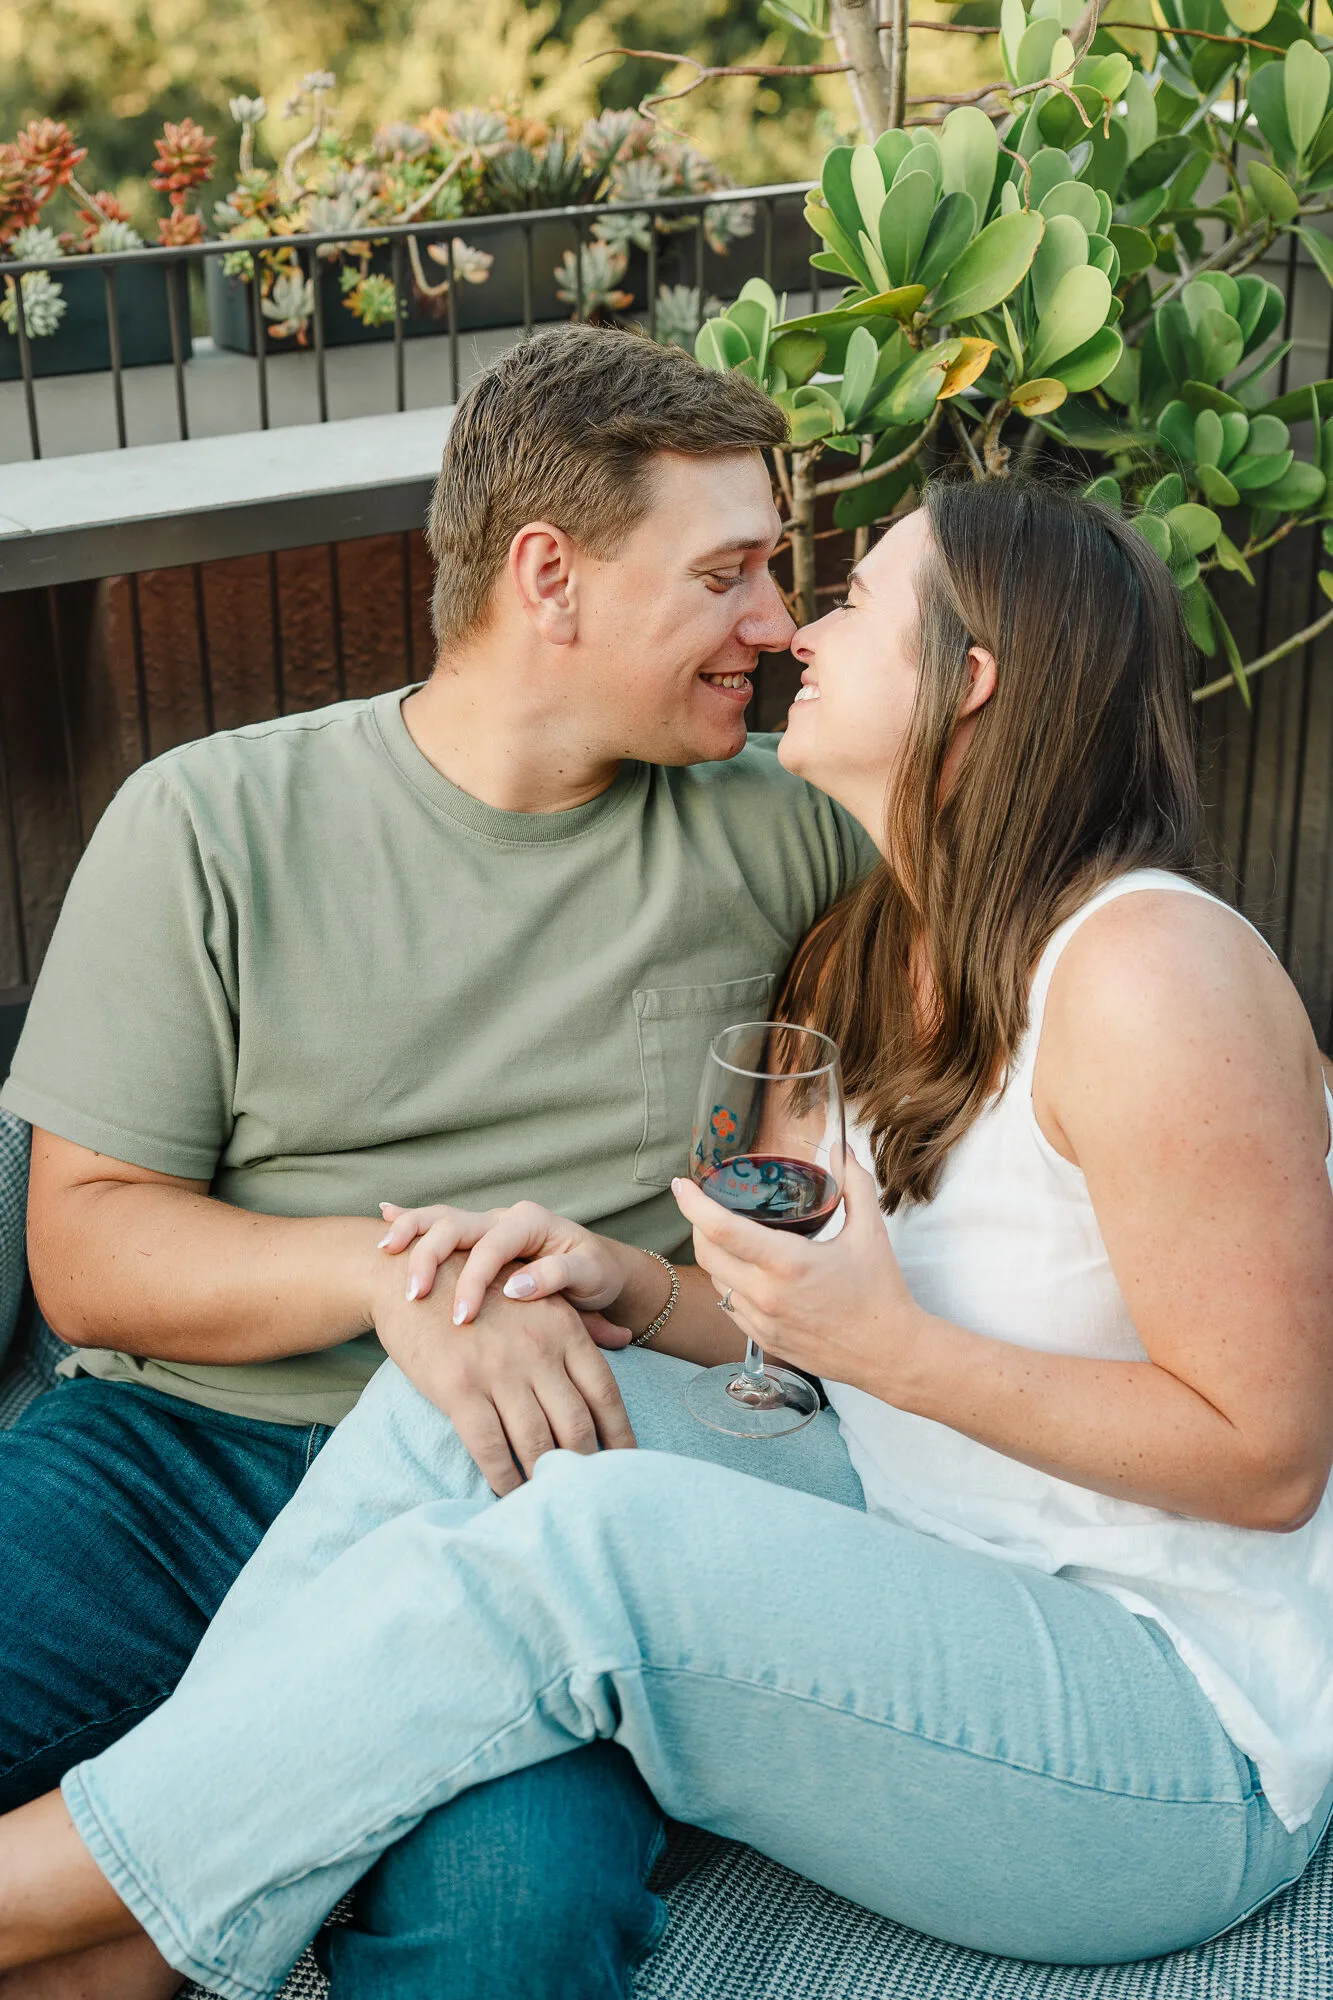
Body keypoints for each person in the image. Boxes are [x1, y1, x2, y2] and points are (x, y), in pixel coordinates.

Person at [5, 476, 1332, 1997]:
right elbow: (792, 1330)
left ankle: (48, 1897)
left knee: (591, 1537)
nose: (795, 634)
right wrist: (631, 1281)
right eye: (765, 582)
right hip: (919, 1545)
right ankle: (131, 1952)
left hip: (1164, 1736)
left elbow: (1266, 1452)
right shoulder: (878, 944)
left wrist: (887, 1349)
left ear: (970, 684)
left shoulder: (1153, 972)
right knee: (483, 1414)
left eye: (847, 600)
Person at [0, 324, 882, 2000]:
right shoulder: (207, 822)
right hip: (176, 1457)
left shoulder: (798, 836)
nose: (775, 623)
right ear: (550, 575)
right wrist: (399, 1284)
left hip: (533, 1503)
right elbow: (86, 1249)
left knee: (516, 1931)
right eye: (734, 573)